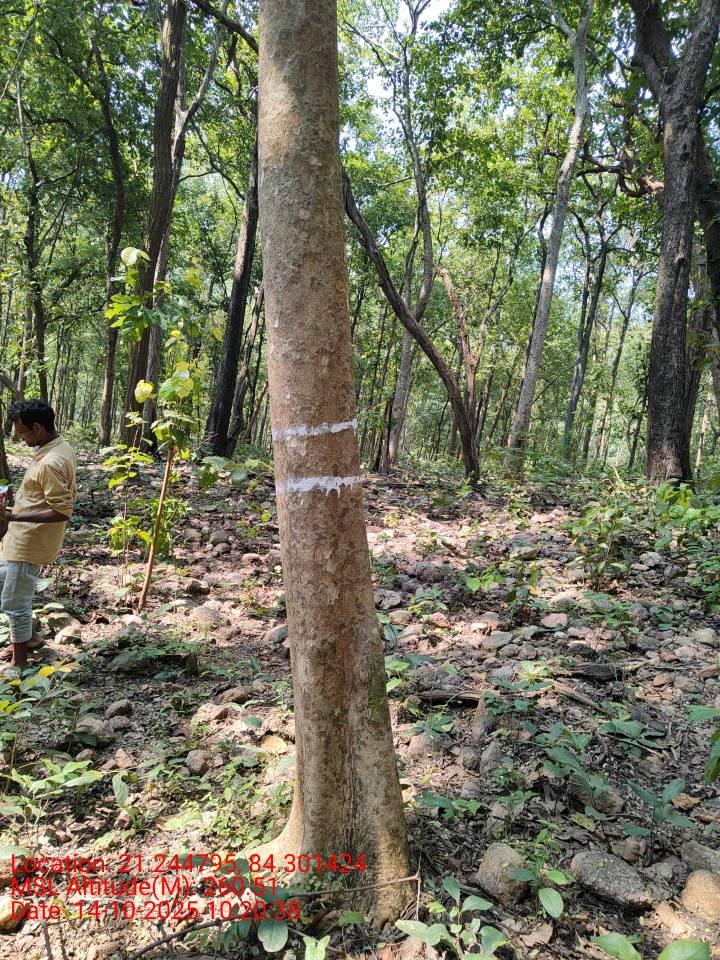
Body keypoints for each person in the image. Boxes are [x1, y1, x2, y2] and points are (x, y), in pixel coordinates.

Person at [0, 399, 77, 670]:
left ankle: (19, 663)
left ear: (37, 428)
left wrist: (15, 517)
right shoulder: (55, 447)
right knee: (4, 584)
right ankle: (28, 638)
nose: (20, 438)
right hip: (18, 537)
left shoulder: (52, 461)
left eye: (22, 432)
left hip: (29, 543)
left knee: (15, 603)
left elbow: (62, 511)